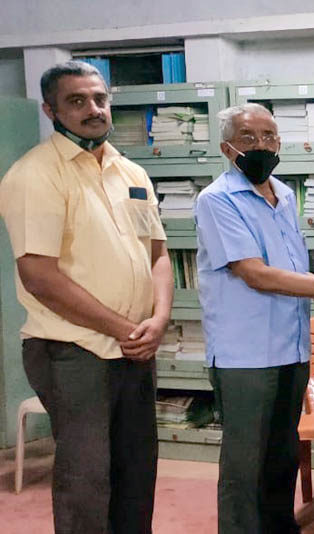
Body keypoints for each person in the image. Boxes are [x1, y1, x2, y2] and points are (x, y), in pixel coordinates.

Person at [194, 103, 314, 534]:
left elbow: (293, 268)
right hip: (245, 355)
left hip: (292, 347)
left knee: (282, 456)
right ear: (226, 148)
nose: (260, 145)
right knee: (245, 463)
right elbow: (255, 273)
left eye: (269, 136)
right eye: (247, 137)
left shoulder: (284, 196)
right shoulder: (217, 200)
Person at [0, 60, 170, 533]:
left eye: (99, 98)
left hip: (136, 347)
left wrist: (158, 320)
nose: (93, 109)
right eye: (76, 101)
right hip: (73, 350)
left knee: (136, 471)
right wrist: (126, 329)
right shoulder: (35, 175)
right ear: (50, 111)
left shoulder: (130, 171)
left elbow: (158, 255)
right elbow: (39, 276)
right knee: (86, 480)